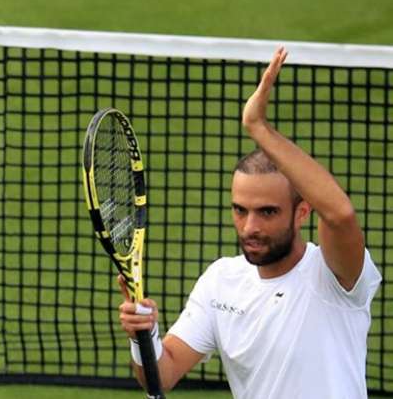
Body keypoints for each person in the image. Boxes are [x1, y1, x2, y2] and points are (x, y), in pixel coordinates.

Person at [118, 47, 382, 399]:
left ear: (303, 212)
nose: (249, 226)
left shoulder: (336, 276)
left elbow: (340, 214)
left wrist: (258, 127)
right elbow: (161, 376)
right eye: (240, 210)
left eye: (267, 212)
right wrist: (143, 336)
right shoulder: (220, 282)